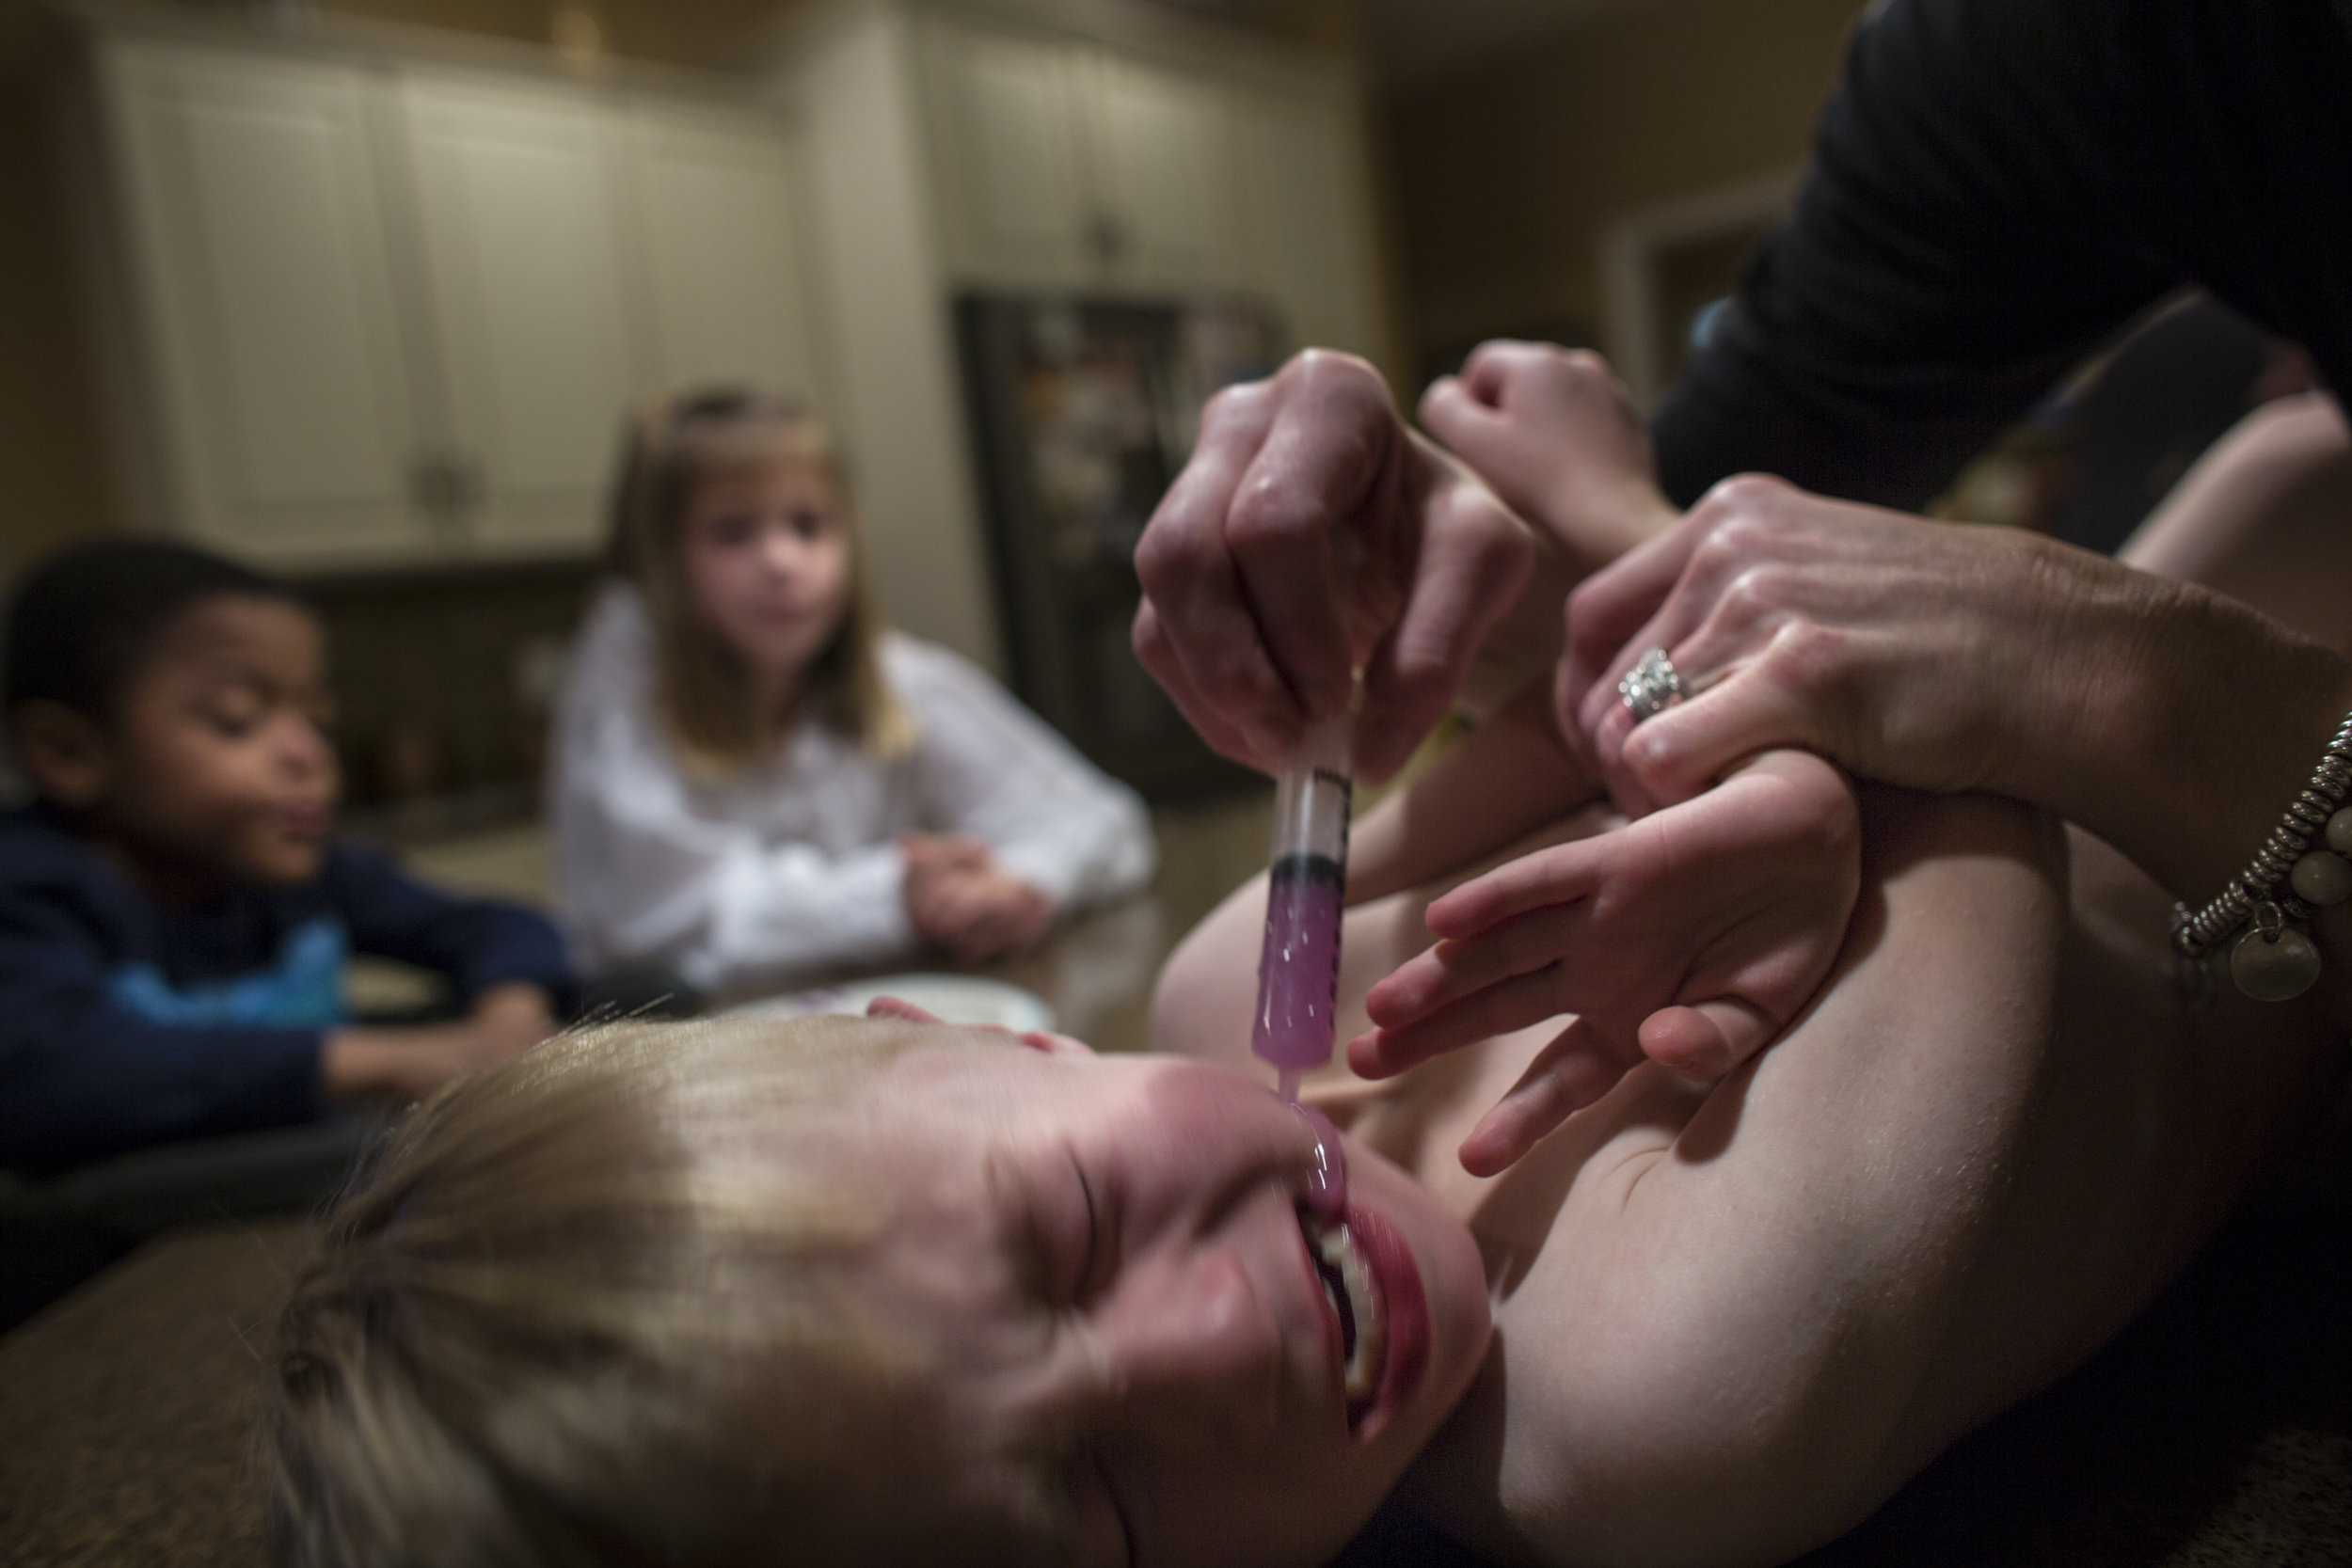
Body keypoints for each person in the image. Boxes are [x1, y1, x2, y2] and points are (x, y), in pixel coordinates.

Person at [262, 397, 2348, 1567]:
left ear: (949, 1036)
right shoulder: (1637, 1413)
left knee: (2277, 454)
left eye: (1068, 1234)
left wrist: (1446, 621)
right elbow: (1972, 824)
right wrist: (1638, 530)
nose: (1205, 1349)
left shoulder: (1225, 979)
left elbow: (1545, 704)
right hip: (2267, 934)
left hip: (2172, 674)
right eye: (1094, 1514)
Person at [550, 388, 1155, 995]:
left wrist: (1014, 885)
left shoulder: (899, 680)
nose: (782, 560)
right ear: (663, 560)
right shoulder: (624, 689)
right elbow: (667, 924)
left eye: (808, 524)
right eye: (732, 531)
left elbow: (1104, 821)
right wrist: (895, 896)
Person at [0, 541, 572, 1180]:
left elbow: (500, 925)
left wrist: (505, 1024)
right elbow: (56, 1073)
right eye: (237, 720)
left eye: (315, 715)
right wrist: (389, 1060)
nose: (307, 754)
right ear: (67, 753)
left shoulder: (306, 874)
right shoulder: (31, 891)